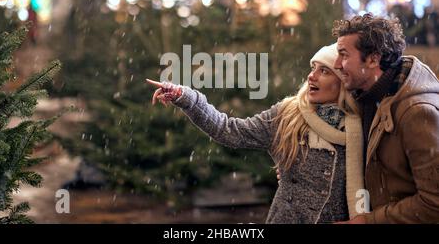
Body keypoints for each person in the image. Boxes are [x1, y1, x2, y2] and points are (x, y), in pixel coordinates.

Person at [147, 43, 364, 224]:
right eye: (313, 68)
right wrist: (185, 97)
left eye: (324, 71)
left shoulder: (364, 124)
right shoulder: (287, 114)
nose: (312, 77)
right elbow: (228, 130)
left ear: (343, 80)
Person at [332, 13, 439, 224]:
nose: (337, 64)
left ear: (373, 59)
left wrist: (369, 221)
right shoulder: (368, 97)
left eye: (344, 55)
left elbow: (434, 203)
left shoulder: (416, 112)